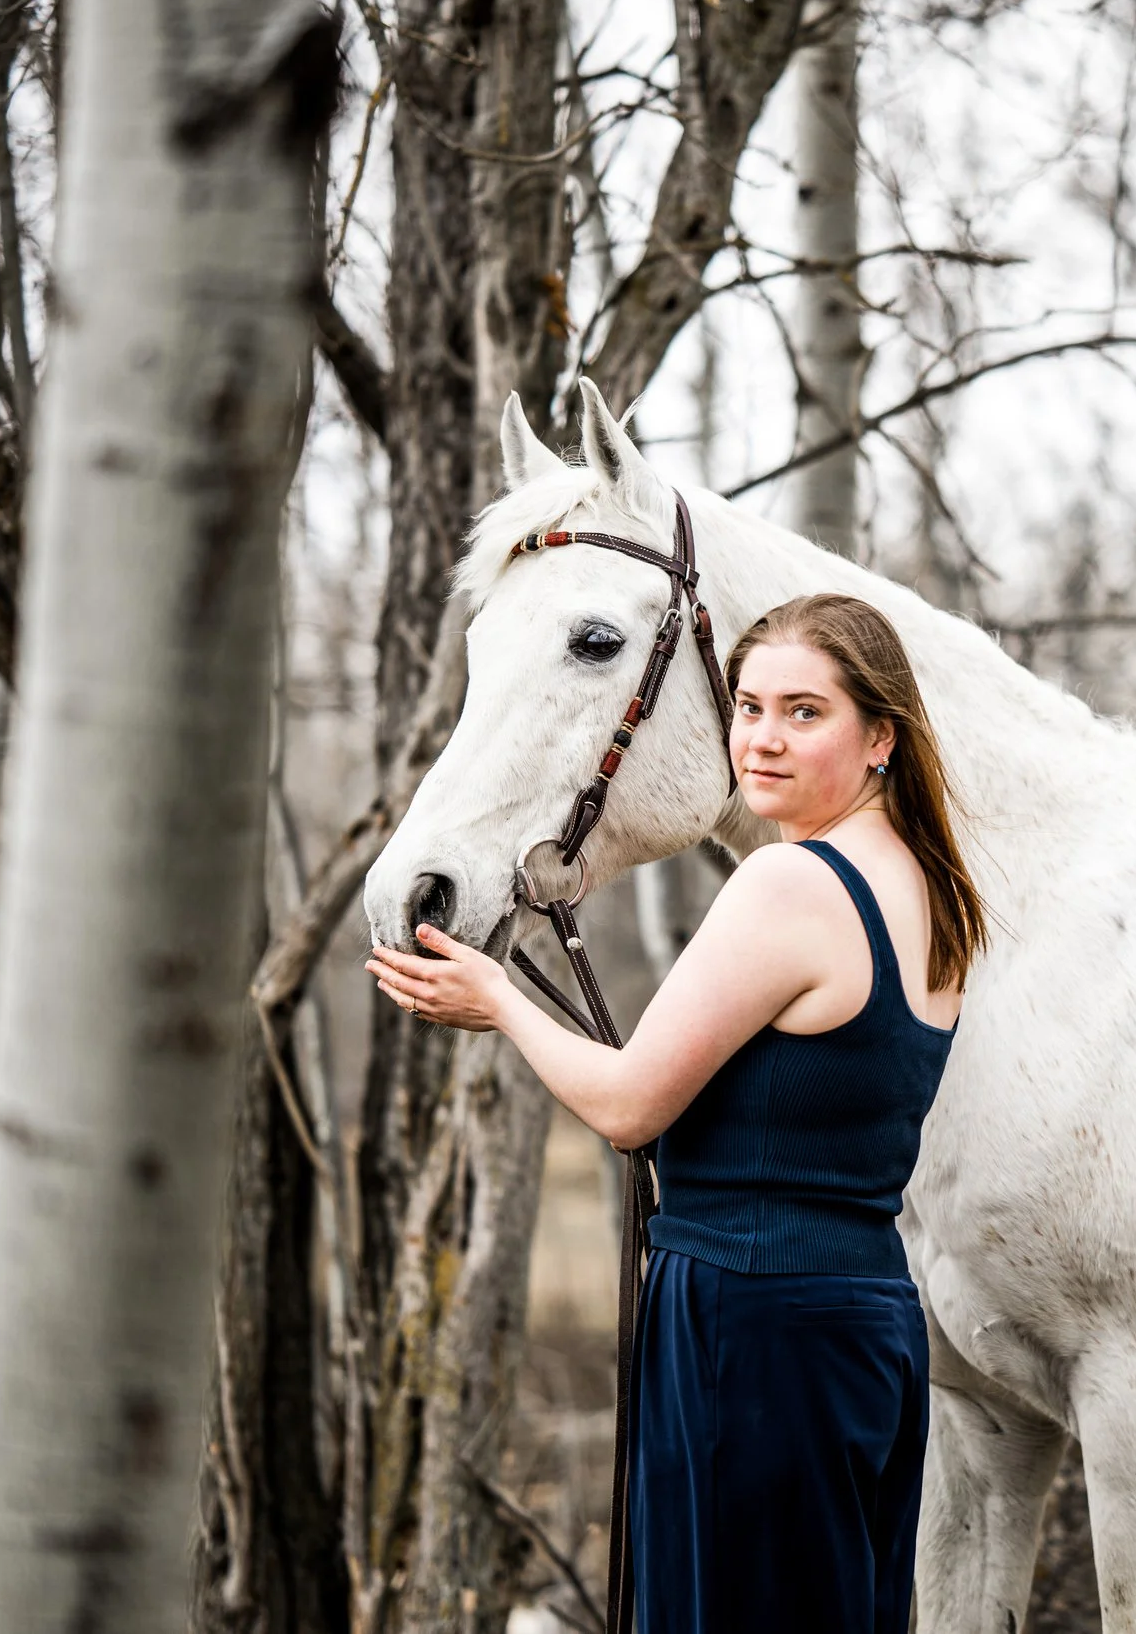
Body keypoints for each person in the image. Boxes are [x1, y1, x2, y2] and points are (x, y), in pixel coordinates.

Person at [366, 591, 988, 1633]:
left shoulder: (789, 883)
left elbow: (627, 1103)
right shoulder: (930, 887)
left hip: (751, 1325)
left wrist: (502, 1000)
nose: (763, 738)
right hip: (867, 1320)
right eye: (748, 706)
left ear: (880, 735)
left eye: (803, 711)